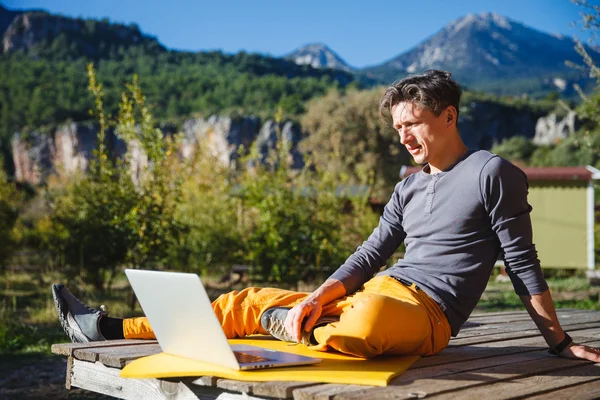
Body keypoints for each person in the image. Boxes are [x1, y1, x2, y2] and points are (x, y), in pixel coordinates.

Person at [53, 69, 600, 361]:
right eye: (397, 128)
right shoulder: (407, 186)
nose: (404, 136)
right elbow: (370, 253)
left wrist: (557, 342)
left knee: (367, 322)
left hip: (429, 315)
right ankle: (106, 328)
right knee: (243, 301)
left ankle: (291, 329)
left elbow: (523, 261)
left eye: (413, 123)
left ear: (449, 115)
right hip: (379, 290)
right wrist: (319, 297)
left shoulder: (492, 172)